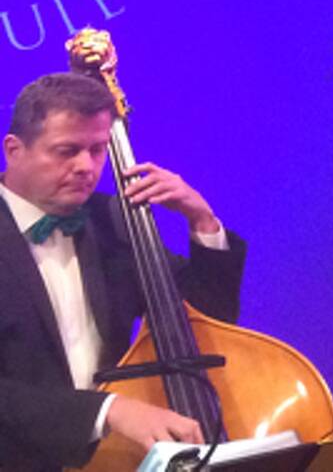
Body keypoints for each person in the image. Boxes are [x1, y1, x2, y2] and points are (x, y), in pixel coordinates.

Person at [0, 72, 246, 472]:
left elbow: (204, 321)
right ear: (13, 150)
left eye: (97, 149)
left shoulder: (112, 219)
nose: (86, 166)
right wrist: (106, 409)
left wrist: (202, 221)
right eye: (67, 150)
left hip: (112, 460)